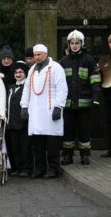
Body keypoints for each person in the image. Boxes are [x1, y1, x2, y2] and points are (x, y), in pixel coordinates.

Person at [20, 44, 68, 179]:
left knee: (52, 142)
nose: (36, 57)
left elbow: (62, 89)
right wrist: (24, 106)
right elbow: (27, 89)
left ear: (45, 54)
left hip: (50, 109)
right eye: (35, 55)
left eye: (39, 54)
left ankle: (54, 169)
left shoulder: (56, 68)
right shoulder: (32, 70)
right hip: (35, 111)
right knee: (37, 143)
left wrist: (59, 106)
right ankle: (40, 168)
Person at [59, 30, 101, 165]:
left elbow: (95, 80)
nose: (75, 46)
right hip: (68, 104)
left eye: (77, 43)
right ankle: (67, 156)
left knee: (84, 131)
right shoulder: (63, 62)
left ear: (81, 44)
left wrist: (96, 97)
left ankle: (85, 155)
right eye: (72, 43)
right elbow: (58, 84)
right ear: (69, 44)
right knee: (68, 131)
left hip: (85, 104)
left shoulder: (89, 60)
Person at [5, 61, 32, 177]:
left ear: (25, 73)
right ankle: (16, 167)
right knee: (14, 147)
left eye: (21, 72)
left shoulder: (28, 87)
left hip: (23, 122)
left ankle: (26, 168)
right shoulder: (10, 87)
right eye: (16, 72)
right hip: (11, 122)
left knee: (25, 147)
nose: (18, 74)